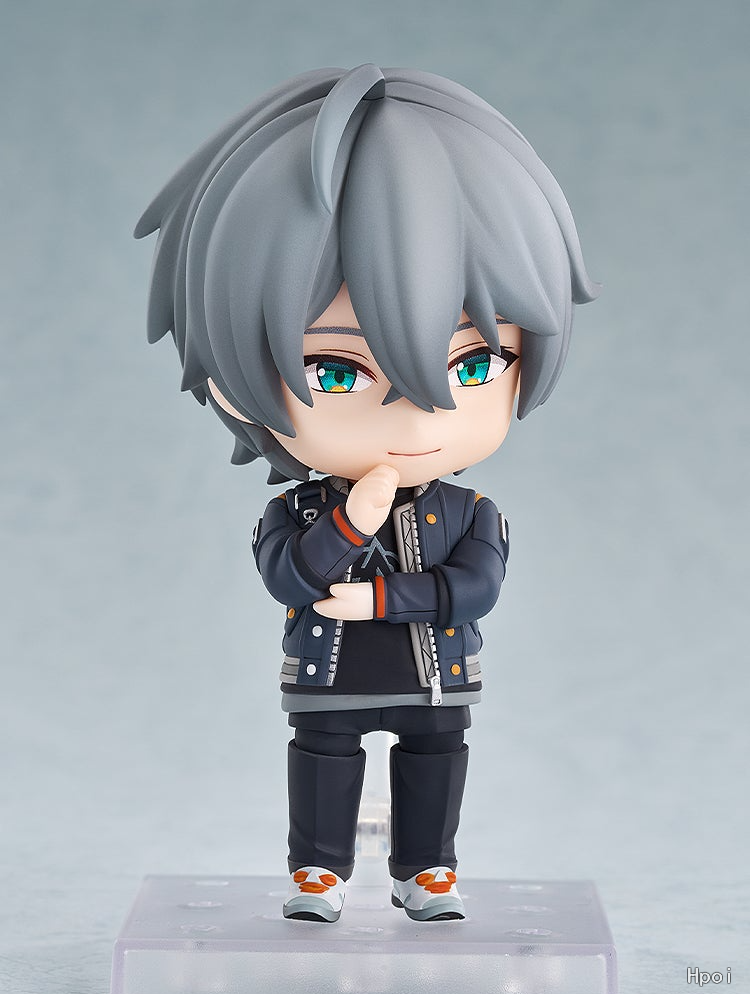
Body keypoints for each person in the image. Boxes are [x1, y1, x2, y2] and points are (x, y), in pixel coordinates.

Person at [135, 63, 598, 922]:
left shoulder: (471, 513)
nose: (420, 410)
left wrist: (380, 599)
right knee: (323, 762)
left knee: (436, 762)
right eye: (337, 370)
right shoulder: (295, 511)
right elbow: (288, 577)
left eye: (472, 364)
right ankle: (319, 871)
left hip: (435, 679)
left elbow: (477, 589)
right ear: (236, 384)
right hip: (330, 676)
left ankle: (428, 870)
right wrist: (349, 524)